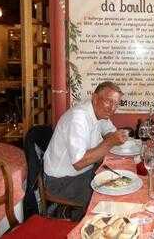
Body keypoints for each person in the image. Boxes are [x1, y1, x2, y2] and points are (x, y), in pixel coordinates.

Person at [44, 81, 128, 219]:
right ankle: (81, 224)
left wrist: (113, 137)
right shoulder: (78, 118)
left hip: (84, 173)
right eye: (108, 101)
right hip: (60, 182)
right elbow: (79, 162)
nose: (112, 108)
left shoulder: (99, 112)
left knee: (119, 184)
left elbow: (109, 130)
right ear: (95, 98)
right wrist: (110, 142)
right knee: (108, 198)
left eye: (116, 103)